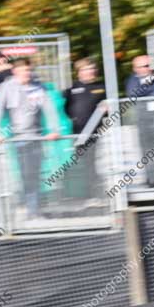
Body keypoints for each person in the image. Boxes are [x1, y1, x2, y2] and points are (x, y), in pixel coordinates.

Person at [0, 57, 60, 218]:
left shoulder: (38, 87)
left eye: (29, 70)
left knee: (34, 173)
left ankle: (33, 210)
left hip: (36, 137)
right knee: (25, 173)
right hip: (18, 139)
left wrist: (54, 130)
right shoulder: (6, 88)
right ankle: (25, 207)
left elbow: (49, 109)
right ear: (15, 71)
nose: (27, 74)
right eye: (23, 71)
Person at [63, 57, 106, 200]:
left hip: (93, 133)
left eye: (92, 69)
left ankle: (93, 194)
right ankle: (78, 194)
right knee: (80, 164)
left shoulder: (101, 88)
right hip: (75, 134)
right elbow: (64, 109)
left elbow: (109, 109)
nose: (90, 72)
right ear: (79, 72)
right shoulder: (72, 89)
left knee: (91, 163)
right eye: (87, 69)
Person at [125, 55, 154, 187]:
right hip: (141, 119)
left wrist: (144, 92)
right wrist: (147, 89)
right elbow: (133, 93)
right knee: (145, 149)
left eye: (148, 65)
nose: (147, 68)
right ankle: (150, 177)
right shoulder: (132, 79)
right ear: (135, 69)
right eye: (143, 66)